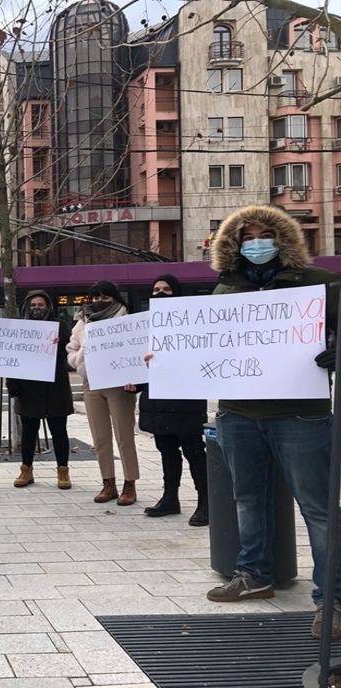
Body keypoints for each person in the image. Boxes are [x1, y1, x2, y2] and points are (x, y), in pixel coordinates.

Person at [202, 205, 341, 639]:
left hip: (301, 414)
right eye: (247, 237)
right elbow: (206, 342)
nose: (256, 244)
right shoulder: (225, 289)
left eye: (265, 235)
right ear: (234, 245)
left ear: (283, 240)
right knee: (247, 498)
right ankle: (254, 574)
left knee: (318, 508)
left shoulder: (321, 285)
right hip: (238, 414)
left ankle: (332, 600)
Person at [127, 275, 208, 526]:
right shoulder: (145, 327)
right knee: (167, 452)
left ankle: (206, 503)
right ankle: (170, 498)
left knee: (194, 452)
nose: (161, 294)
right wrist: (135, 383)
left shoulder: (194, 326)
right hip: (157, 402)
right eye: (156, 290)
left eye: (167, 289)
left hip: (185, 400)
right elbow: (137, 361)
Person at [66, 280, 139, 506]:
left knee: (124, 436)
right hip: (91, 383)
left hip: (118, 384)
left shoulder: (126, 320)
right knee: (100, 438)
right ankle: (108, 482)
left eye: (104, 296)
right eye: (95, 297)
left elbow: (136, 350)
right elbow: (71, 350)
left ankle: (130, 483)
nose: (99, 301)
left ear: (115, 298)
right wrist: (80, 362)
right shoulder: (81, 322)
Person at [8, 290, 74, 490]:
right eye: (33, 305)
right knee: (28, 431)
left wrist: (60, 343)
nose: (37, 308)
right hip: (28, 386)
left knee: (59, 430)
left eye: (41, 305)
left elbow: (70, 353)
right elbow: (12, 356)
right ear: (27, 307)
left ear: (48, 307)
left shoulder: (60, 326)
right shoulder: (19, 328)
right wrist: (13, 385)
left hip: (55, 386)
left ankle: (63, 471)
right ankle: (26, 470)